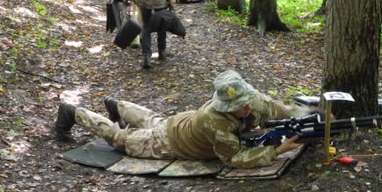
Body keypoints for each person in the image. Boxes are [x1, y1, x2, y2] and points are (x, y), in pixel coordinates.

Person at [54, 70, 310, 168]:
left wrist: (311, 116)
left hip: (179, 123)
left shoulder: (252, 100)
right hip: (169, 142)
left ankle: (117, 106)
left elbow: (278, 110)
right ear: (226, 107)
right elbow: (234, 158)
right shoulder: (216, 122)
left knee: (152, 120)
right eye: (239, 107)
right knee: (122, 140)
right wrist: (277, 151)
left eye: (247, 103)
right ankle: (73, 113)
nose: (247, 109)